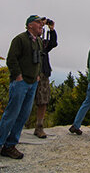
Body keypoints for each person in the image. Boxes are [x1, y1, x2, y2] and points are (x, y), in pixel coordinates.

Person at [1, 15, 43, 159]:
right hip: (21, 83)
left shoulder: (38, 41)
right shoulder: (20, 39)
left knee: (23, 115)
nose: (41, 25)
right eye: (38, 23)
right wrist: (18, 76)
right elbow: (11, 59)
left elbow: (39, 60)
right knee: (11, 114)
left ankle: (10, 145)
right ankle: (1, 142)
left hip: (32, 83)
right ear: (30, 25)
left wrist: (37, 75)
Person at [33, 17, 58, 138]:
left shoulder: (43, 43)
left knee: (43, 101)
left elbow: (53, 44)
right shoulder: (30, 40)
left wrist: (52, 30)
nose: (41, 27)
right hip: (31, 73)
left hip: (43, 72)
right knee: (25, 102)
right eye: (39, 24)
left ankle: (39, 126)